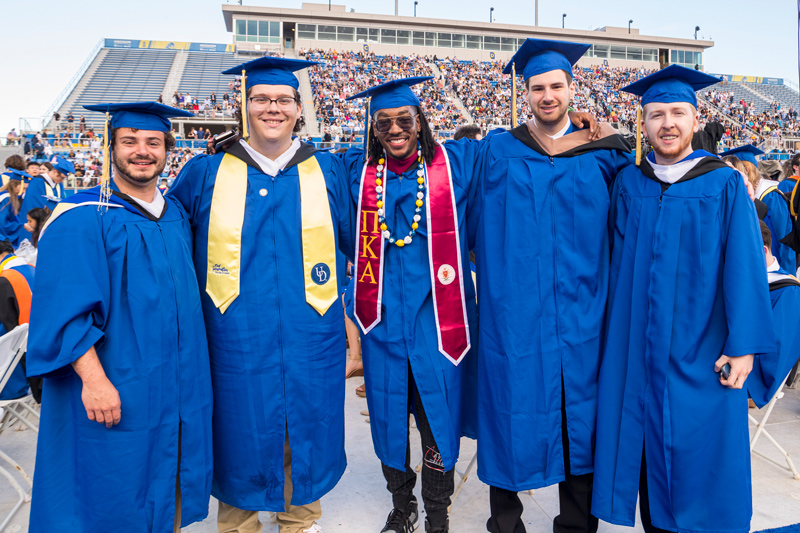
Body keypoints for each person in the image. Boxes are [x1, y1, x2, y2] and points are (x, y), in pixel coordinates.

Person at [168, 57, 354, 533]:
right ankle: (237, 523)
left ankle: (300, 519)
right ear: (245, 105)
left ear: (299, 108)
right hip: (233, 336)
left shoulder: (328, 170)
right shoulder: (205, 172)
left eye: (283, 100)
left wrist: (353, 316)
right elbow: (165, 241)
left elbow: (363, 244)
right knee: (237, 427)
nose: (273, 108)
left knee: (306, 423)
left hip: (311, 332)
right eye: (262, 99)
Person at [592, 65, 775, 533]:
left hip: (701, 347)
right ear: (643, 124)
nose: (667, 123)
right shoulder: (630, 185)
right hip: (636, 347)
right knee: (645, 451)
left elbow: (744, 268)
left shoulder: (723, 184)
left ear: (696, 120)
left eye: (677, 112)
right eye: (655, 115)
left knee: (700, 458)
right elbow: (612, 266)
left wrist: (744, 346)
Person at [26, 101, 212, 532]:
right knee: (108, 491)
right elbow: (63, 312)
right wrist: (93, 381)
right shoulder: (81, 217)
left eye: (153, 142)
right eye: (129, 142)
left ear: (168, 150)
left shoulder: (176, 216)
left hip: (174, 384)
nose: (141, 151)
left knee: (167, 487)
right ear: (111, 148)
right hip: (115, 383)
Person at [474, 38, 632, 533]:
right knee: (509, 410)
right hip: (515, 313)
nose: (548, 95)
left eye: (556, 86)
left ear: (572, 88)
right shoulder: (497, 150)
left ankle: (577, 525)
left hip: (585, 311)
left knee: (579, 416)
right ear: (525, 91)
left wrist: (612, 134)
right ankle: (505, 524)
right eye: (538, 86)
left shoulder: (606, 155)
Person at [342, 77, 481, 533]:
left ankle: (437, 512)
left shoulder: (456, 166)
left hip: (438, 328)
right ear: (373, 130)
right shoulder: (355, 175)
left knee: (436, 424)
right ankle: (402, 508)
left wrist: (589, 131)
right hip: (381, 328)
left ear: (420, 123)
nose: (395, 129)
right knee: (387, 423)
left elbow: (520, 151)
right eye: (384, 123)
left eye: (404, 119)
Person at [747, 220, 800, 408]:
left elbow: (777, 353)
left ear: (762, 251)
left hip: (747, 375)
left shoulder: (787, 291)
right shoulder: (747, 282)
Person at [0, 239, 36, 401]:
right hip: (39, 350)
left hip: (18, 365)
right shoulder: (31, 268)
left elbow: (6, 324)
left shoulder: (5, 279)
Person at [18, 155, 71, 238]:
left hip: (51, 223)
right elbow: (33, 205)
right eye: (61, 177)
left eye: (64, 178)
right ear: (54, 172)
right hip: (37, 224)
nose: (62, 180)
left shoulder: (58, 185)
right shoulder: (37, 182)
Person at [0, 170, 27, 245]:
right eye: (23, 188)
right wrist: (22, 226)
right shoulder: (5, 199)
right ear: (13, 185)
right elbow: (2, 224)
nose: (24, 191)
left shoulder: (9, 197)